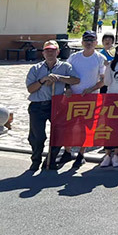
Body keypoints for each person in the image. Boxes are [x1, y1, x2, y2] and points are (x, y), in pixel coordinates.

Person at [25, 40, 80, 171]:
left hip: (56, 105)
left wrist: (59, 78)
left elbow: (75, 80)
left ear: (58, 52)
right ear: (43, 53)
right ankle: (35, 160)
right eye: (47, 50)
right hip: (37, 105)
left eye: (53, 50)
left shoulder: (65, 67)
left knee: (58, 135)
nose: (50, 53)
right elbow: (30, 89)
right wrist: (42, 80)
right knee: (37, 137)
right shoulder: (35, 68)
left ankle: (50, 159)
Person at [61, 30, 105, 167]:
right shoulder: (74, 57)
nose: (89, 43)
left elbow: (104, 80)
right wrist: (67, 88)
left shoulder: (99, 58)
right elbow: (65, 74)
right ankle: (67, 152)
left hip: (90, 97)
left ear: (96, 43)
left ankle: (81, 153)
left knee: (86, 128)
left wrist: (91, 89)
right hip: (73, 97)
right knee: (69, 126)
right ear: (82, 42)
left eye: (92, 40)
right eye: (86, 40)